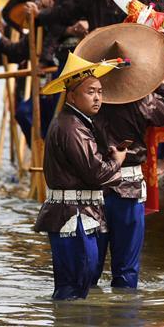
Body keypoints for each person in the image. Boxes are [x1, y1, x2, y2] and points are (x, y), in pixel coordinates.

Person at [74, 23, 164, 289]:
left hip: (92, 189)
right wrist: (156, 78)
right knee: (126, 272)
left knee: (89, 270)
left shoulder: (85, 102)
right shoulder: (143, 102)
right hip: (128, 190)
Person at [33, 53, 127, 301]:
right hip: (71, 215)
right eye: (90, 92)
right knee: (73, 288)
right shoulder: (72, 126)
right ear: (72, 95)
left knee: (77, 286)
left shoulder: (75, 123)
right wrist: (116, 162)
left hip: (77, 214)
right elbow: (96, 172)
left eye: (99, 91)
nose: (97, 97)